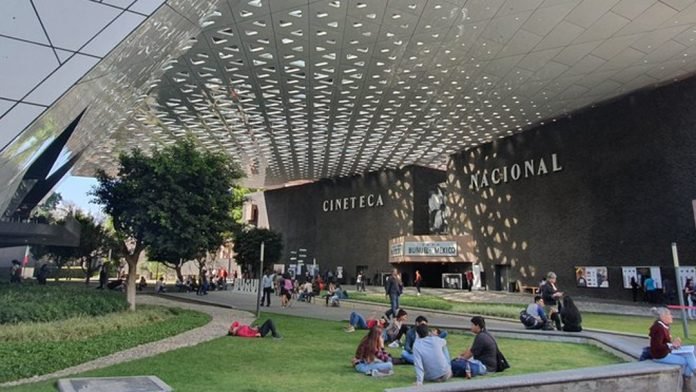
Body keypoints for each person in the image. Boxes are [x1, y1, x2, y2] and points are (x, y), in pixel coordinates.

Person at [649, 307, 696, 392]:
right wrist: (671, 345)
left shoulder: (663, 326)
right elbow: (657, 346)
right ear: (663, 316)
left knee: (689, 354)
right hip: (660, 356)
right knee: (687, 361)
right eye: (670, 314)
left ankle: (686, 385)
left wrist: (674, 344)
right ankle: (686, 385)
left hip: (666, 352)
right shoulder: (659, 328)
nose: (672, 316)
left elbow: (665, 343)